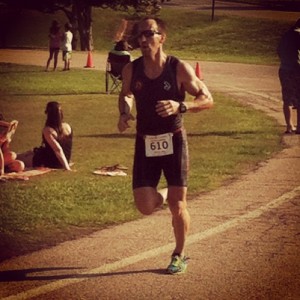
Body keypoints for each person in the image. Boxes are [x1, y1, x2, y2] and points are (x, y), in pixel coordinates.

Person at [117, 17, 213, 274]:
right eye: (140, 36)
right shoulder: (131, 69)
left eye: (149, 34)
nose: (143, 40)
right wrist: (124, 113)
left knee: (178, 205)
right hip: (145, 142)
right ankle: (164, 194)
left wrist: (181, 106)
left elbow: (207, 98)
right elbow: (125, 94)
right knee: (145, 206)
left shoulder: (177, 68)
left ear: (162, 37)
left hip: (174, 140)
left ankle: (179, 254)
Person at [19, 101, 73, 171]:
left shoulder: (48, 130)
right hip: (63, 159)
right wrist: (66, 164)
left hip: (50, 162)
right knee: (27, 153)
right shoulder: (67, 127)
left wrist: (67, 168)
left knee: (18, 158)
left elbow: (58, 150)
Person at [277, 18, 300, 134]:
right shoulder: (298, 36)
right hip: (297, 69)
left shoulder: (286, 36)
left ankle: (289, 126)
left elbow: (279, 51)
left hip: (285, 68)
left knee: (287, 98)